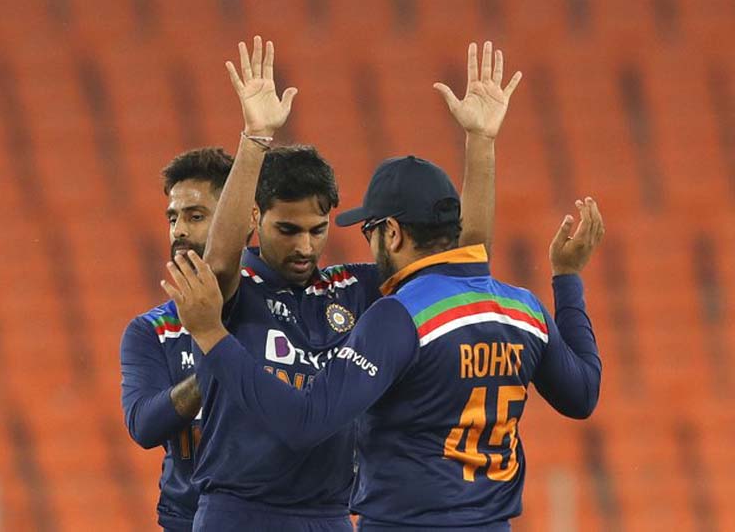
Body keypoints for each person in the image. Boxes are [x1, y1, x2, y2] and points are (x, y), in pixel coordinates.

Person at [171, 37, 520, 531]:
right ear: (254, 218)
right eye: (287, 230)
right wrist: (256, 137)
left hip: (332, 514)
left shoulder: (355, 288)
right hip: (239, 510)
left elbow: (462, 260)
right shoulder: (235, 290)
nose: (305, 247)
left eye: (317, 230)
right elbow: (220, 264)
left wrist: (481, 143)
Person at [164, 168, 604, 531]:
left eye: (370, 231)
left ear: (391, 233)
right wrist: (567, 278)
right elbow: (583, 395)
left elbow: (306, 422)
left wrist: (212, 336)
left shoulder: (399, 315)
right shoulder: (523, 309)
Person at [119, 148, 233, 532]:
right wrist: (225, 360)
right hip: (187, 520)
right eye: (173, 218)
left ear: (242, 218)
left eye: (195, 216)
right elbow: (144, 426)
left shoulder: (281, 311)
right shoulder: (153, 330)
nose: (179, 230)